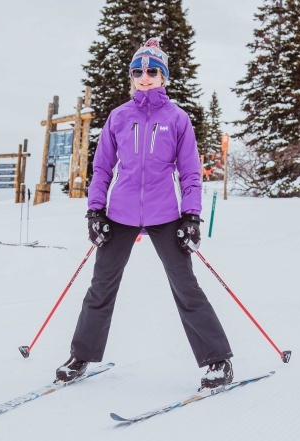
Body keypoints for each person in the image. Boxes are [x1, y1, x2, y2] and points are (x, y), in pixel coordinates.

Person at [55, 38, 234, 390]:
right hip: (120, 213)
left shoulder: (177, 119)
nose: (145, 77)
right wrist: (95, 211)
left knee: (186, 286)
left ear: (163, 77)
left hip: (165, 212)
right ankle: (82, 355)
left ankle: (218, 360)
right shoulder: (119, 117)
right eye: (138, 71)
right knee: (101, 286)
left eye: (153, 71)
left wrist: (192, 216)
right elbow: (103, 167)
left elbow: (190, 173)